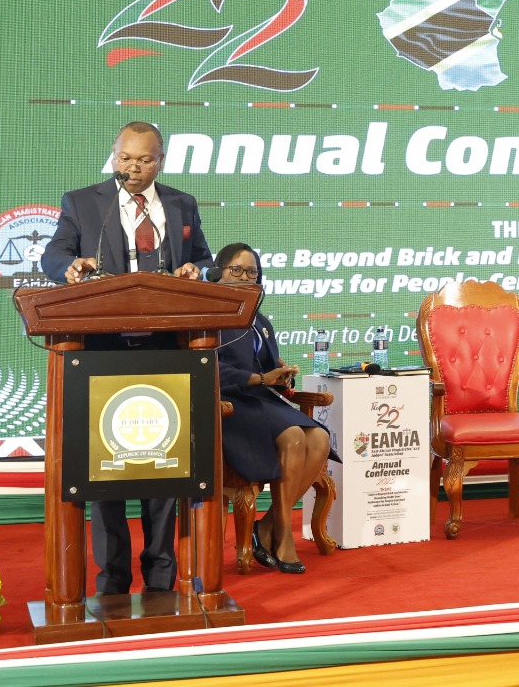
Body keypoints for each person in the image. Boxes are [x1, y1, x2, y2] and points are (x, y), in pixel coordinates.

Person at [40, 120, 212, 596]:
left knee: (164, 465)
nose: (133, 168)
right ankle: (113, 580)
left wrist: (197, 269)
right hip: (102, 353)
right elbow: (54, 255)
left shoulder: (181, 204)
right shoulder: (82, 202)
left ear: (161, 161)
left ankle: (161, 577)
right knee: (106, 468)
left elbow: (205, 258)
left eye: (144, 160)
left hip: (166, 352)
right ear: (114, 157)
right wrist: (70, 266)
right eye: (125, 158)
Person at [213, 242, 334, 574]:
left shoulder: (260, 321)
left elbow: (268, 368)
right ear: (218, 273)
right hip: (229, 405)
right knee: (294, 437)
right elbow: (212, 369)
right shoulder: (209, 318)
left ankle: (266, 528)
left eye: (252, 272)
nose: (245, 277)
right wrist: (259, 378)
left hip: (262, 400)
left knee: (320, 439)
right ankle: (284, 538)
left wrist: (280, 375)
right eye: (236, 270)